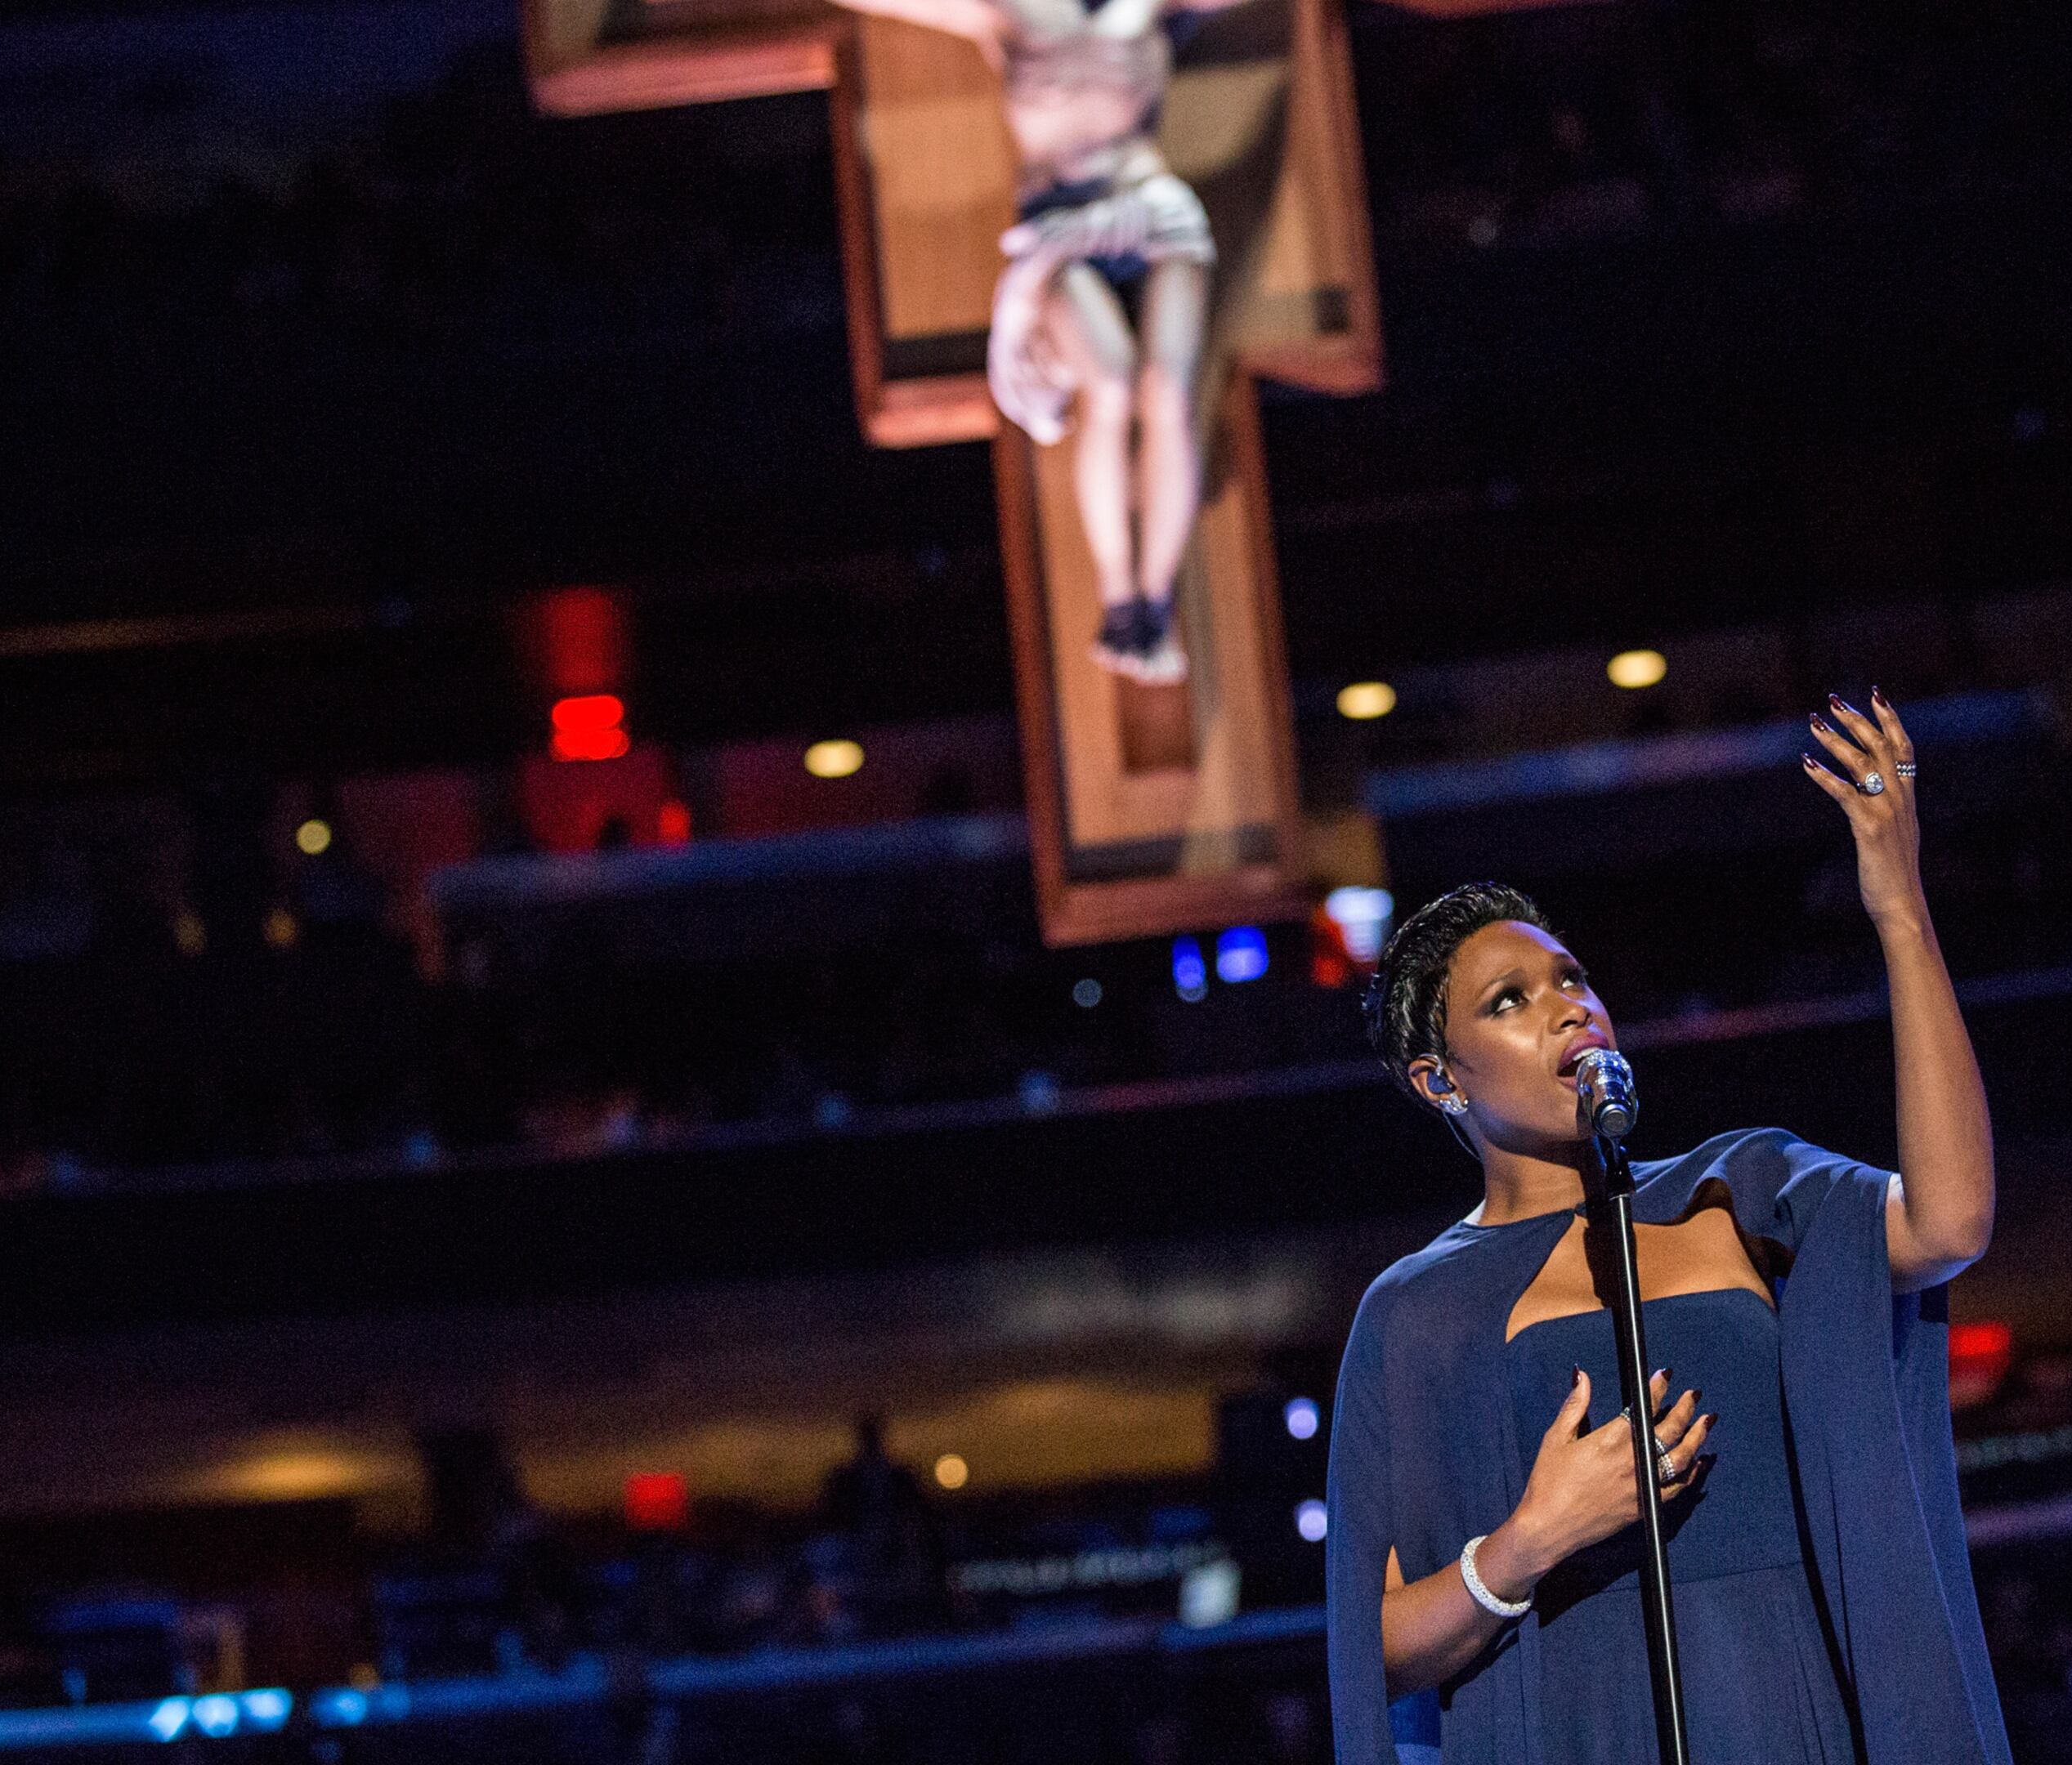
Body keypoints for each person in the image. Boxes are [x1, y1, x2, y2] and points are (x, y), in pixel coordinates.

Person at [1325, 691, 2012, 1763]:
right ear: (1440, 1079)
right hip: (1575, 1720)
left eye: (1572, 978)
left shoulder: (1735, 1186)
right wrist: (1532, 1538)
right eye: (1509, 999)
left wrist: (1899, 911)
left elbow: (1951, 1220)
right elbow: (1373, 1650)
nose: (1568, 1006)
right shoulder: (1418, 1310)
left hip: (1787, 1705)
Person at [821, 0, 1234, 684]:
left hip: (1152, 210)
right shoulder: (1011, 13)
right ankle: (1120, 597)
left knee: (1166, 391)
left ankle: (1152, 604)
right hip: (1058, 230)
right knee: (1110, 387)